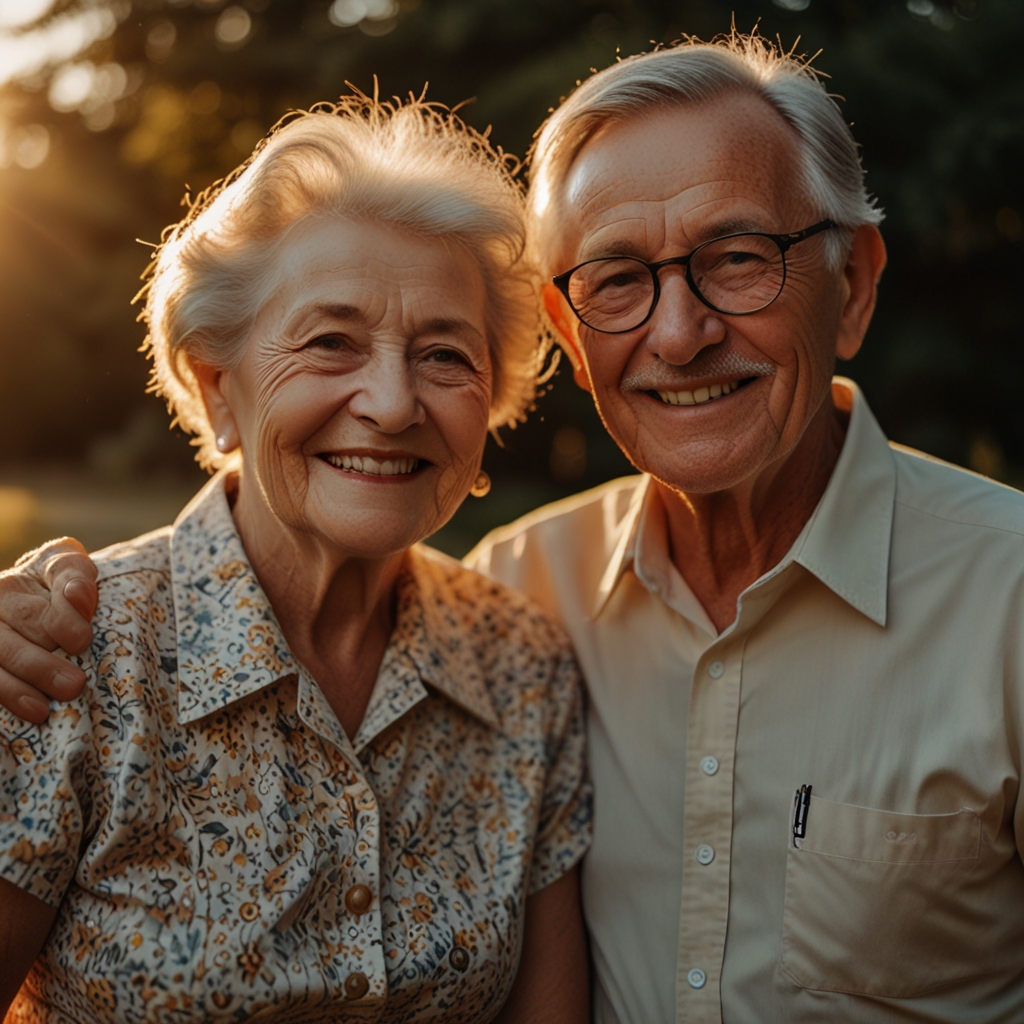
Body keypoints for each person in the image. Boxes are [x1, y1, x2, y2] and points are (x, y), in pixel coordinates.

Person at [4, 29, 1024, 1024]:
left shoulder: (514, 652)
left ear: (853, 287)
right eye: (619, 280)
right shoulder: (70, 665)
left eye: (741, 256)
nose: (679, 331)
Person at [0, 94, 591, 1022]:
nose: (393, 403)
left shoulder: (524, 668)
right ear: (217, 385)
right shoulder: (64, 658)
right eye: (330, 342)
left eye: (445, 356)